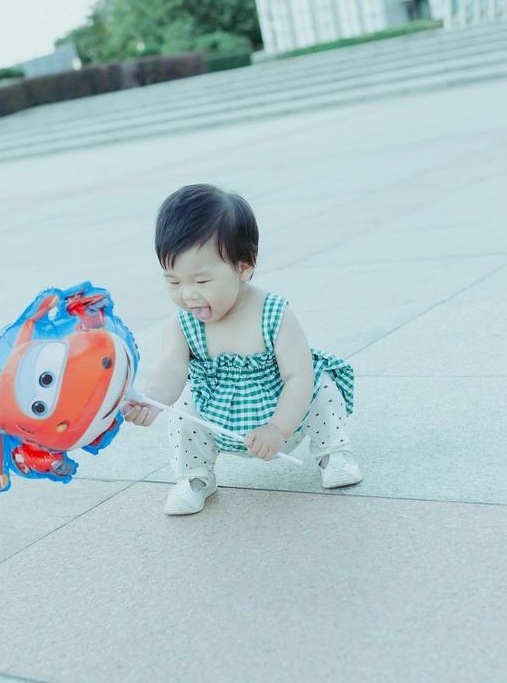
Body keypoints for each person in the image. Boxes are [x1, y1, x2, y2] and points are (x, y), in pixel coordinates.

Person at [121, 184, 362, 515]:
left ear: (243, 267)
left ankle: (333, 453)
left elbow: (298, 377)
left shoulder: (273, 314)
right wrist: (152, 398)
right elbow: (170, 370)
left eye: (201, 281)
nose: (188, 294)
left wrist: (278, 429)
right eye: (174, 282)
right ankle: (195, 476)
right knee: (184, 404)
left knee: (321, 383)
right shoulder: (182, 325)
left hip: (284, 416)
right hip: (220, 418)